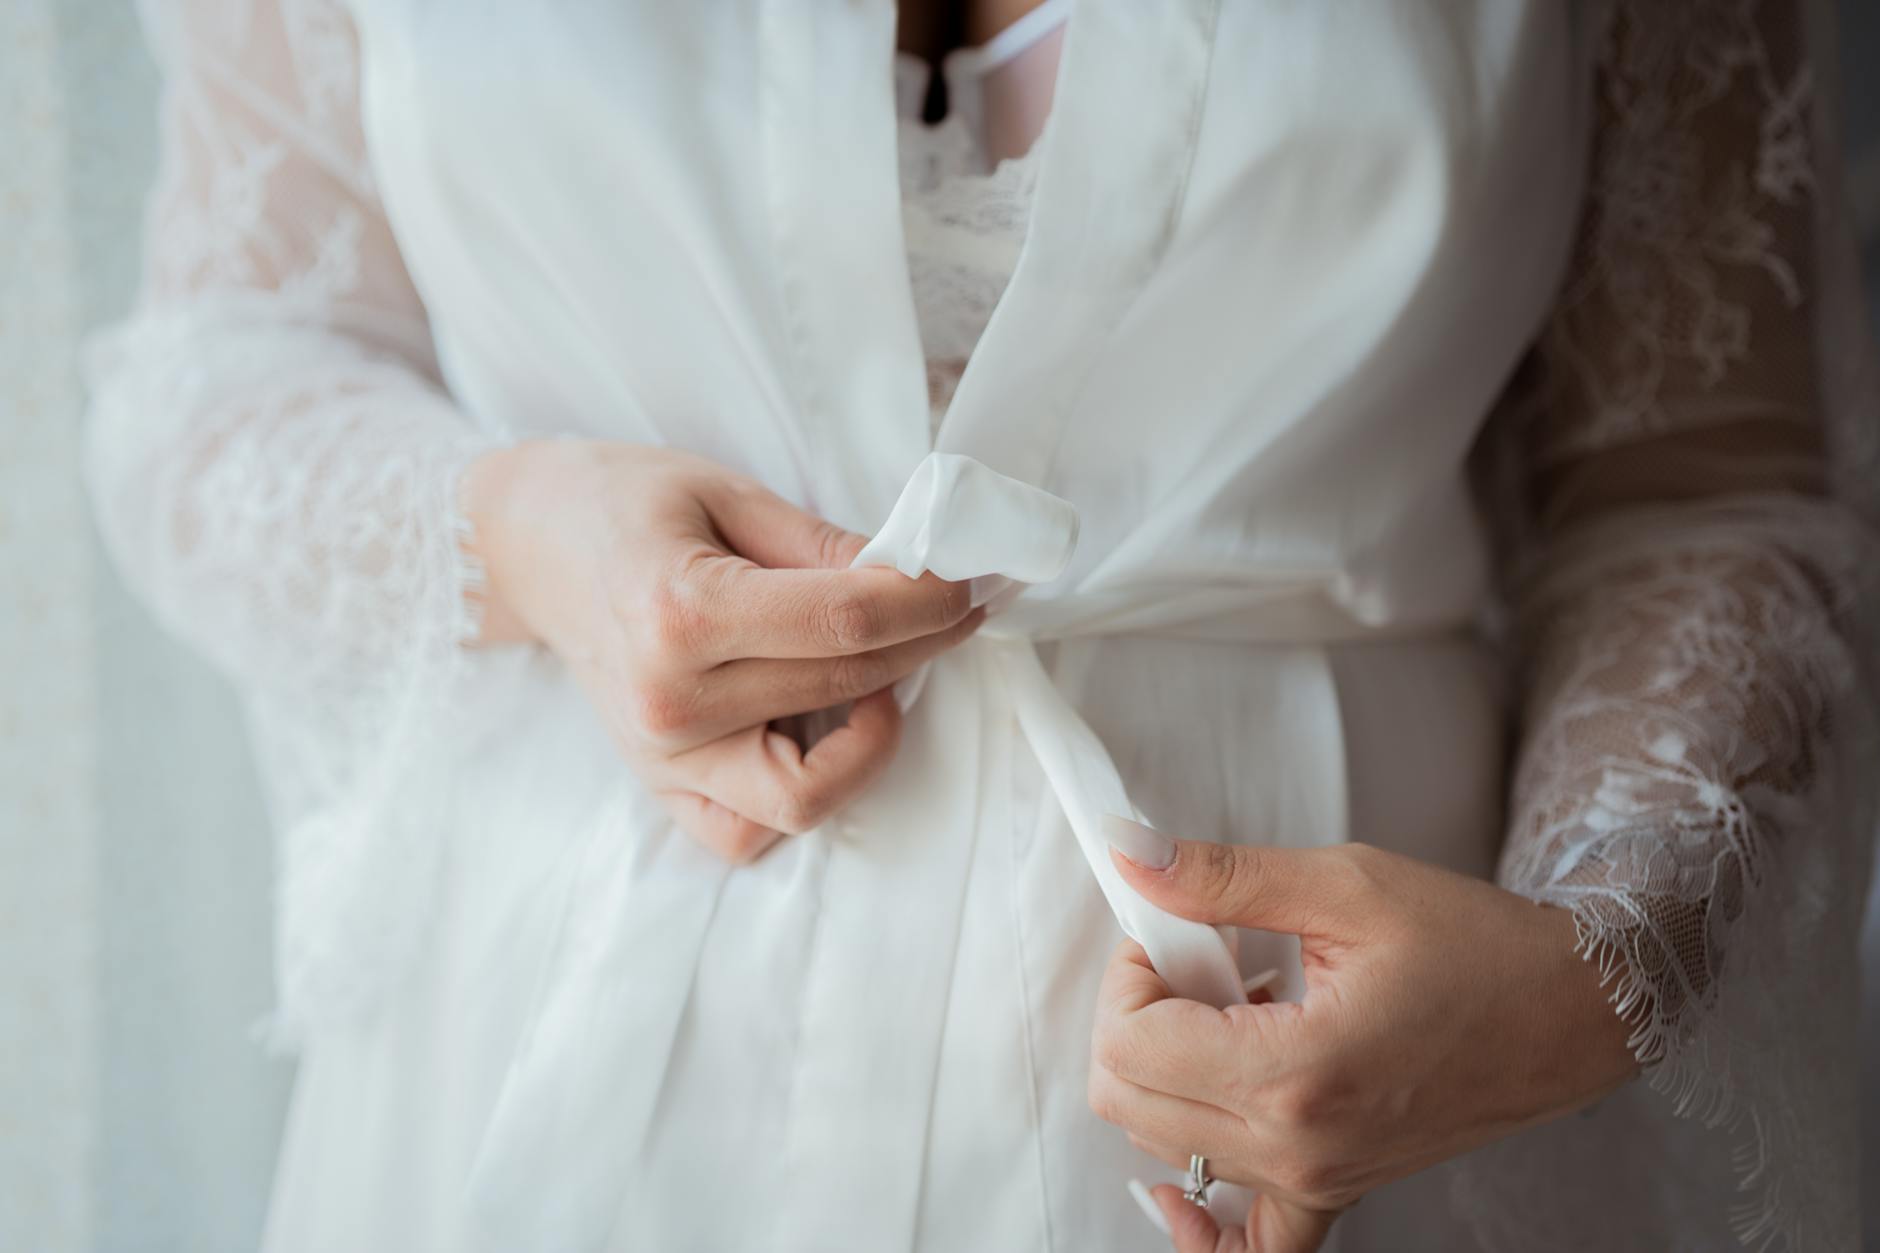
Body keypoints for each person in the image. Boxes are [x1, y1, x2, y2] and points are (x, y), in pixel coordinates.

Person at [84, 0, 1876, 1249]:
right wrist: (524, 540)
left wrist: (1597, 952)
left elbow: (1695, 476)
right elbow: (217, 373)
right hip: (549, 1056)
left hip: (1340, 1083)